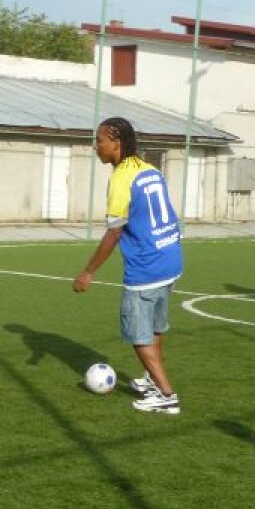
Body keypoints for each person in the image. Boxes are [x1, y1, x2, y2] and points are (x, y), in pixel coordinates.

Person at [73, 117, 183, 415]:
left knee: (138, 334)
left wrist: (88, 271)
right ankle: (151, 380)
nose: (96, 146)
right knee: (156, 326)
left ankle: (166, 395)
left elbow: (114, 233)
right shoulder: (150, 169)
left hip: (146, 266)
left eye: (99, 140)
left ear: (115, 142)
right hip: (170, 259)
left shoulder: (121, 178)